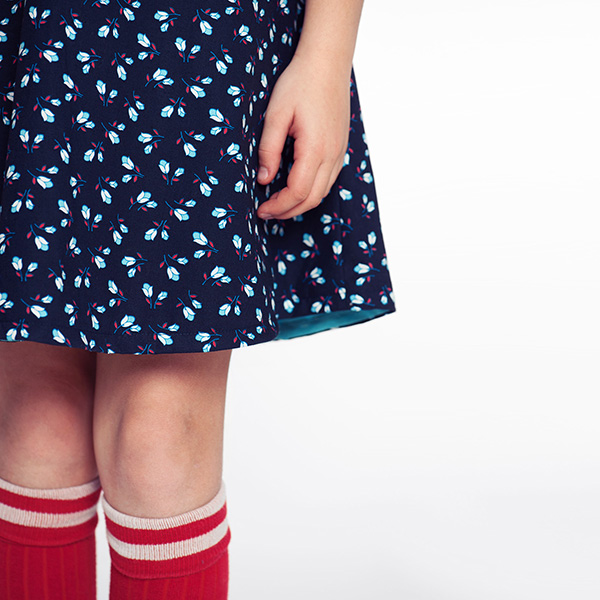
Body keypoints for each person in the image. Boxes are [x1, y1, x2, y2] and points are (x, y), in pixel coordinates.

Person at [0, 0, 395, 598]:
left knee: (158, 440)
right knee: (36, 422)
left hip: (194, 31)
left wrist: (327, 53)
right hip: (32, 25)